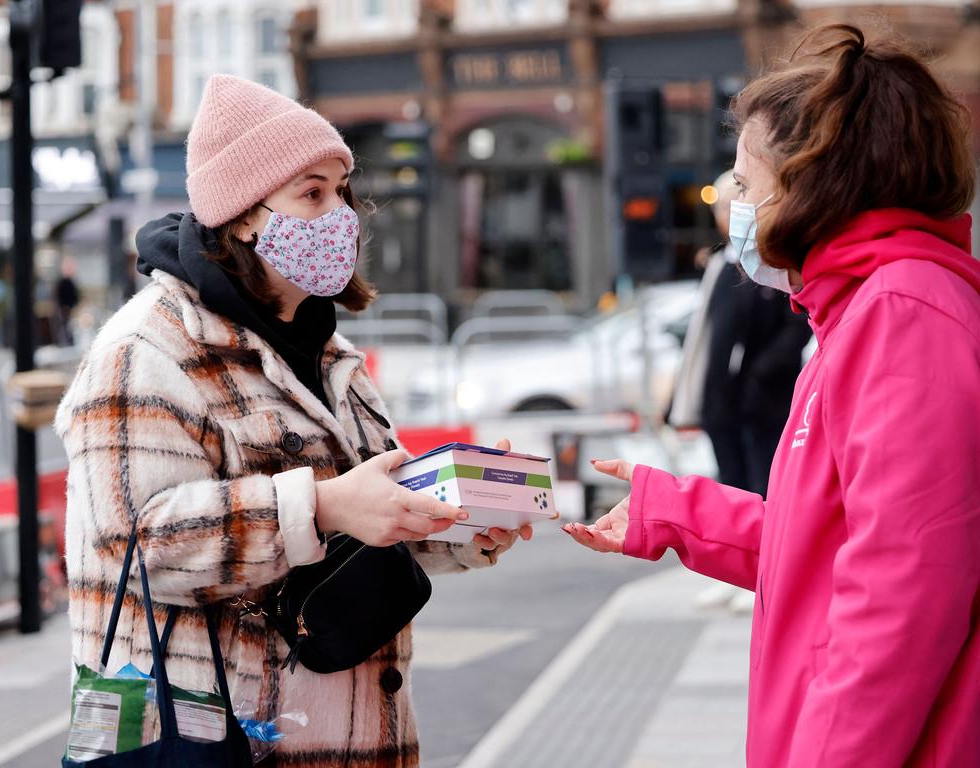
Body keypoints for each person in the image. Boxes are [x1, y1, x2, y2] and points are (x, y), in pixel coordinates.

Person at [55, 75, 530, 768]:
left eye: (342, 189)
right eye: (312, 193)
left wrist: (458, 520)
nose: (342, 214)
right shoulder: (145, 351)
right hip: (225, 744)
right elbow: (141, 547)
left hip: (355, 739)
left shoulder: (329, 352)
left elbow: (364, 527)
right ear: (245, 215)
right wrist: (326, 504)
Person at [564, 24, 979, 766]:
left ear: (817, 179)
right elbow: (826, 542)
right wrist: (674, 511)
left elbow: (901, 591)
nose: (737, 207)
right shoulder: (864, 308)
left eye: (747, 185)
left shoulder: (899, 313)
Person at [672, 170, 812, 612]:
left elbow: (794, 329)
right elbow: (705, 338)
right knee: (730, 486)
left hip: (762, 400)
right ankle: (736, 573)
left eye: (734, 200)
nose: (722, 214)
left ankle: (763, 574)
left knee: (761, 486)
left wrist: (760, 378)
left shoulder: (768, 265)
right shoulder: (722, 263)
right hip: (724, 401)